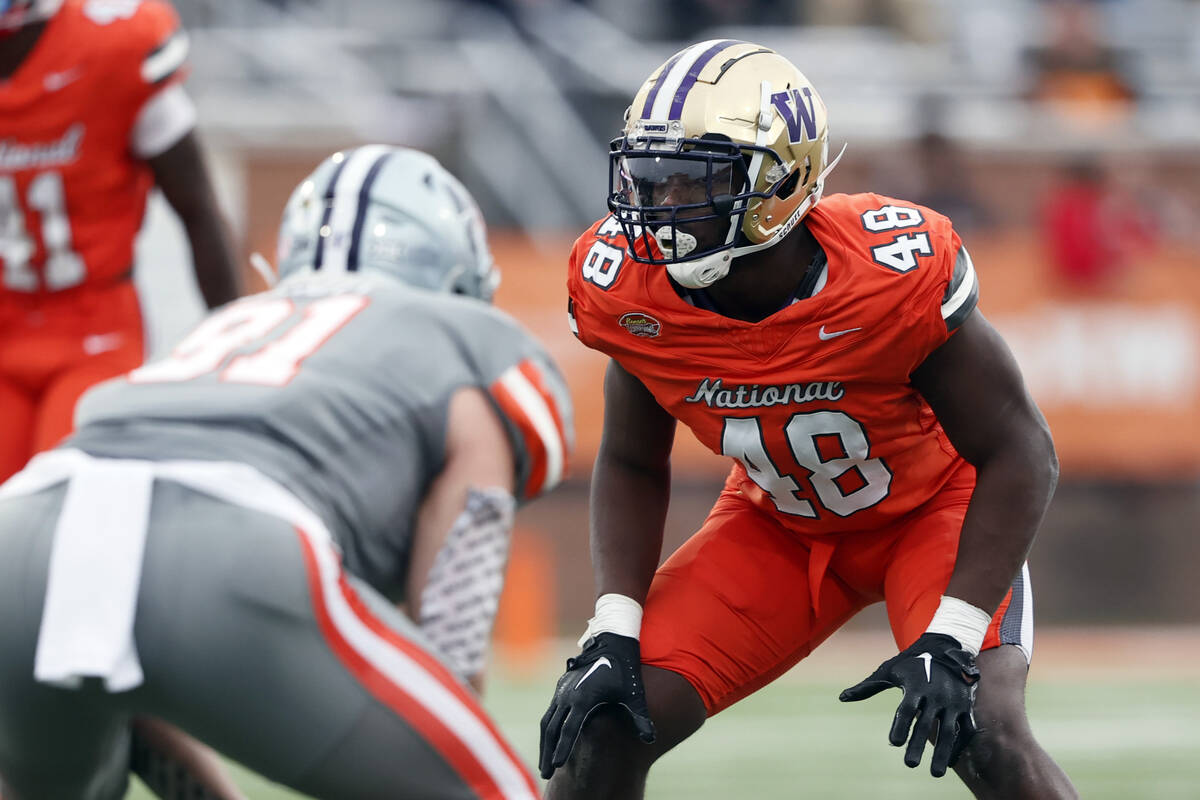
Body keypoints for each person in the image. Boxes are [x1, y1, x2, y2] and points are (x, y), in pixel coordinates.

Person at [539, 40, 1078, 799]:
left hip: (934, 514)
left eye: (691, 180)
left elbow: (1022, 449)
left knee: (982, 726)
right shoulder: (630, 289)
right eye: (651, 179)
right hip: (781, 526)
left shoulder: (888, 274)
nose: (659, 207)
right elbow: (631, 458)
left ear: (779, 184)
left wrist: (953, 634)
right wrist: (613, 625)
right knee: (604, 717)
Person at [0, 145, 571, 800]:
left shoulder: (233, 326)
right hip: (229, 539)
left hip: (25, 528)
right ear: (457, 280)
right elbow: (450, 656)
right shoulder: (462, 348)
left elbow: (121, 617)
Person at [0, 0, 242, 483]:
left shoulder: (112, 43)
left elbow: (197, 209)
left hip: (91, 333)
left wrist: (235, 357)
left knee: (65, 500)